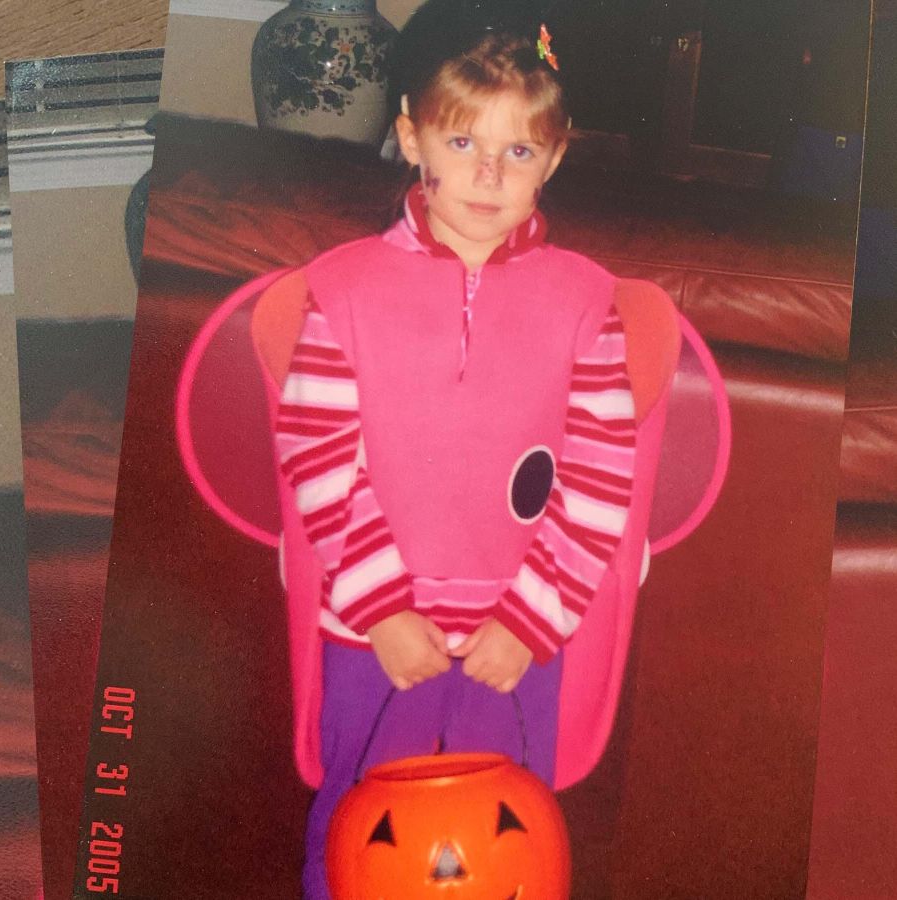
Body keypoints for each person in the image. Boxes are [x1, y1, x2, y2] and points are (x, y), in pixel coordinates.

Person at [252, 2, 648, 895]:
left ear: (555, 156)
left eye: (519, 150)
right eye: (463, 141)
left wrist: (530, 623)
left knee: (506, 832)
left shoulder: (587, 305)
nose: (488, 172)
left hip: (516, 634)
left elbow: (598, 480)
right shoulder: (342, 290)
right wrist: (383, 611)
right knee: (365, 831)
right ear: (411, 137)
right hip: (370, 631)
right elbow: (319, 461)